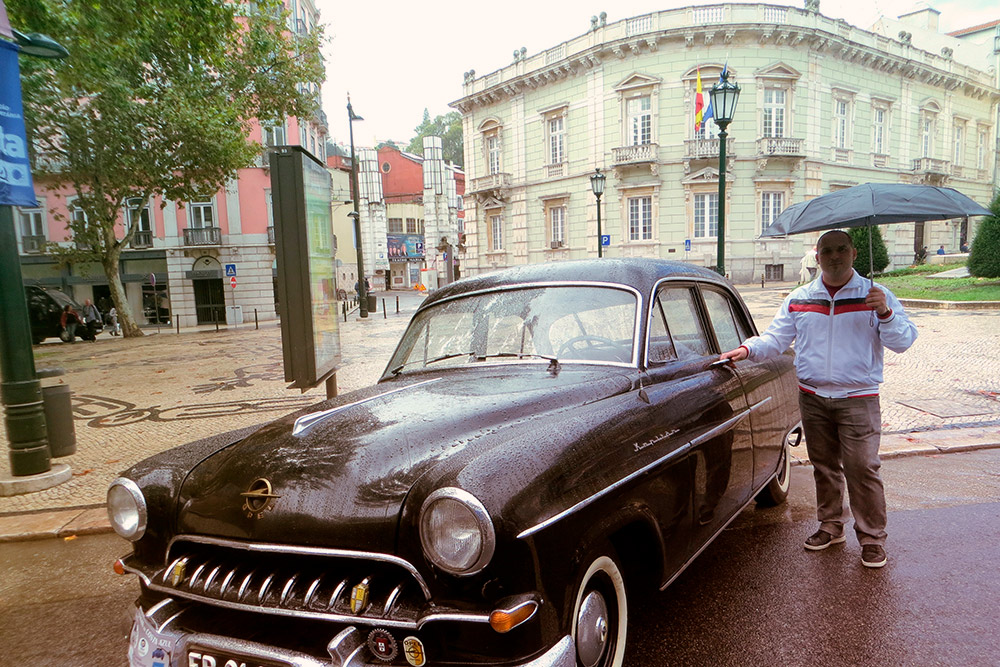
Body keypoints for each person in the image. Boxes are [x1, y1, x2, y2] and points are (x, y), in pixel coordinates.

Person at [719, 230, 917, 569]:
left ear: (854, 253)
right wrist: (747, 349)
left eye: (841, 249)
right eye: (827, 250)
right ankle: (830, 525)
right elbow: (776, 338)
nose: (835, 256)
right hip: (812, 397)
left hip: (858, 397)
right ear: (817, 256)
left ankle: (871, 538)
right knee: (824, 468)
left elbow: (903, 341)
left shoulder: (874, 294)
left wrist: (884, 311)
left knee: (862, 468)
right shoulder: (800, 297)